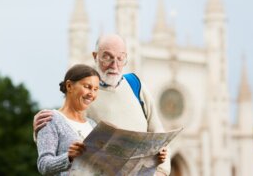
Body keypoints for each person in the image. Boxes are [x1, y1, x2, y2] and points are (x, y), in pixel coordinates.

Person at [34, 34, 170, 176]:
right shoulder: (83, 100)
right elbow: (60, 132)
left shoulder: (136, 85)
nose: (114, 64)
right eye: (107, 57)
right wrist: (41, 129)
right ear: (95, 56)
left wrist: (161, 171)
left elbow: (160, 135)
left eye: (120, 58)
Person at [36, 64, 100, 175]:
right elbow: (43, 165)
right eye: (87, 87)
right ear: (69, 86)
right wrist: (69, 157)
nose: (92, 94)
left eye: (95, 89)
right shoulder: (50, 119)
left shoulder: (93, 125)